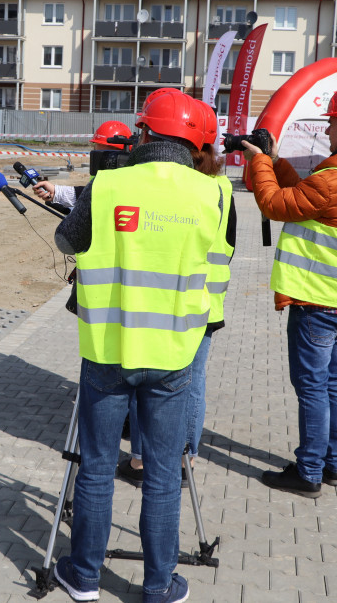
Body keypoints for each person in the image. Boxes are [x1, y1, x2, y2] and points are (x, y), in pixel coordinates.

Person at [52, 91, 226, 603]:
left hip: (108, 349)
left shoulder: (107, 185)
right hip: (174, 356)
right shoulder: (211, 193)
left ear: (143, 133)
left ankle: (83, 577)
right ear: (194, 142)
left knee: (99, 467)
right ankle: (158, 586)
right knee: (164, 477)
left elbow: (67, 241)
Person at [242, 83, 337, 499]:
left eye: (333, 123)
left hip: (315, 301)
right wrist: (274, 159)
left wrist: (258, 165)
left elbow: (275, 204)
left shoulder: (334, 179)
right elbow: (305, 196)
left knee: (311, 387)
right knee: (336, 383)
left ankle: (308, 472)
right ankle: (333, 465)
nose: (327, 130)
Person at [118, 98, 237, 488]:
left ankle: (143, 460)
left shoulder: (182, 188)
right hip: (204, 304)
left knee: (144, 380)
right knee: (192, 383)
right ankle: (182, 458)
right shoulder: (220, 189)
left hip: (168, 301)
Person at [32, 120, 132, 208]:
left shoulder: (129, 183)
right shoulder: (100, 173)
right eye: (96, 152)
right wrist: (56, 192)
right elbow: (90, 195)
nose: (98, 159)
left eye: (105, 153)